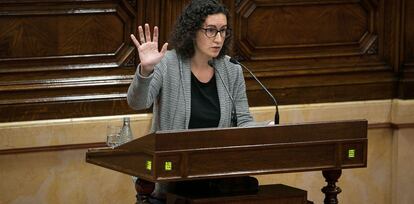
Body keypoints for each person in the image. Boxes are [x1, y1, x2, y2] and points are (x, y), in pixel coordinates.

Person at [127, 0, 262, 203]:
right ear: (192, 31)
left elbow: (243, 120)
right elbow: (137, 102)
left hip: (214, 180)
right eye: (211, 30)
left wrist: (265, 130)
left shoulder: (231, 69)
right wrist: (146, 70)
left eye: (223, 31)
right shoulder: (167, 63)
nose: (218, 39)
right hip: (171, 179)